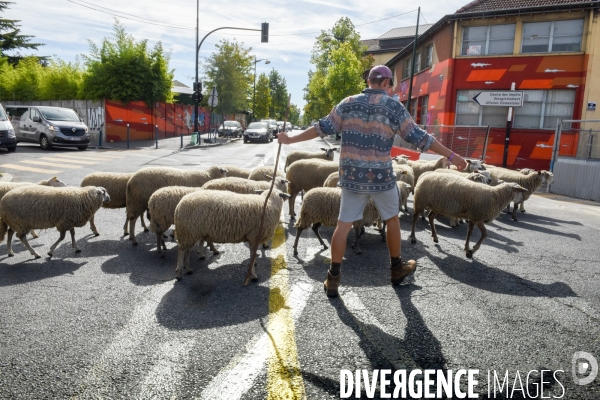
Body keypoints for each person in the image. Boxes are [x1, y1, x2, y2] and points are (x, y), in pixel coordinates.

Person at [278, 65, 467, 297]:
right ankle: (397, 269)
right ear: (388, 84)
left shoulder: (348, 103)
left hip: (352, 176)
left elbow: (321, 128)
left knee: (343, 225)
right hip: (382, 178)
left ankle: (333, 279)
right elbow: (421, 138)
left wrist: (290, 139)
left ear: (368, 81)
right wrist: (452, 156)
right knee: (393, 220)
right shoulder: (394, 107)